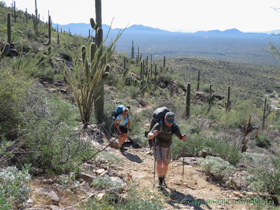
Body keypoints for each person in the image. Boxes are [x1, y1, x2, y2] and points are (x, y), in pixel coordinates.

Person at [148, 112, 187, 189]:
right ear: (165, 119)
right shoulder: (159, 125)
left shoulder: (174, 127)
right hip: (158, 145)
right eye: (168, 122)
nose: (169, 124)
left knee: (166, 164)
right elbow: (149, 136)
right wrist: (153, 135)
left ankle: (163, 179)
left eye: (171, 122)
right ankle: (160, 181)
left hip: (167, 146)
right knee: (159, 163)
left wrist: (183, 138)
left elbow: (180, 138)